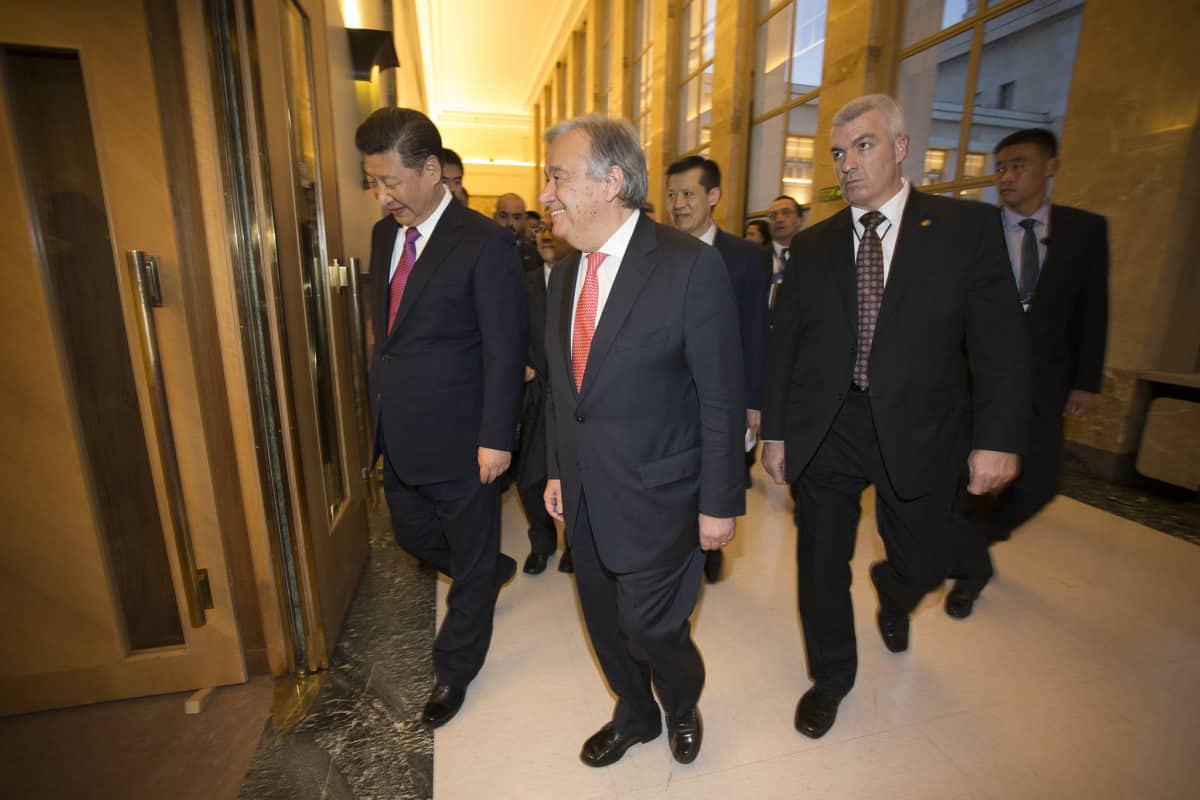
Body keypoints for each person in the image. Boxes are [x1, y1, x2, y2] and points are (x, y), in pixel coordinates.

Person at [760, 94, 1028, 741]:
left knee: (926, 560)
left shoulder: (966, 231)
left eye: (864, 146)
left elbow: (1000, 344)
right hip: (829, 425)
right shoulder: (816, 244)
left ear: (901, 147)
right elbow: (785, 342)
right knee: (820, 561)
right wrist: (774, 429)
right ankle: (831, 678)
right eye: (837, 153)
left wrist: (997, 439)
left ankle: (893, 588)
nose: (848, 164)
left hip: (924, 426)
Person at [540, 114, 744, 767]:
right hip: (584, 488)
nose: (547, 193)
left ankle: (680, 702)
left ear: (613, 182)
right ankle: (635, 713)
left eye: (558, 176)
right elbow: (561, 393)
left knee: (651, 626)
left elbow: (720, 397)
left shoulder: (690, 267)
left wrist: (720, 502)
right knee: (603, 619)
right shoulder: (564, 276)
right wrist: (554, 470)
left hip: (662, 492)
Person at [357, 108, 527, 729]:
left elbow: (505, 348)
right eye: (373, 182)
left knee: (472, 560)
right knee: (413, 537)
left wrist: (495, 437)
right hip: (400, 432)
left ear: (432, 171)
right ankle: (486, 573)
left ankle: (454, 672)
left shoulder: (486, 243)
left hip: (464, 439)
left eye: (391, 182)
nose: (383, 196)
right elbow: (392, 337)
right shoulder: (384, 236)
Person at [944, 127, 1109, 619]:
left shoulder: (1084, 230)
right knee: (968, 483)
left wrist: (1086, 379)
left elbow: (1093, 308)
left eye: (1019, 164)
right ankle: (970, 571)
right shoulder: (976, 229)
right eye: (1001, 167)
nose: (1007, 176)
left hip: (1044, 382)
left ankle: (969, 542)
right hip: (974, 381)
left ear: (1050, 166)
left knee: (1041, 482)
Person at [666, 154, 770, 581]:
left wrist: (754, 402)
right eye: (671, 194)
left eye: (688, 193)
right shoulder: (657, 251)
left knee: (717, 473)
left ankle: (708, 547)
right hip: (669, 395)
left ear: (713, 196)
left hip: (723, 395)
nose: (678, 204)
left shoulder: (745, 258)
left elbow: (756, 333)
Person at [514, 224, 575, 575]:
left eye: (554, 228)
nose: (547, 235)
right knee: (532, 478)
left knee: (575, 475)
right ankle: (542, 541)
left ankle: (575, 544)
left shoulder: (585, 275)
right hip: (536, 395)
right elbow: (508, 330)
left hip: (576, 397)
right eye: (541, 229)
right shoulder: (524, 281)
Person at [766, 196, 806, 308]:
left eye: (786, 213)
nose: (779, 219)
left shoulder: (812, 258)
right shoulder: (755, 257)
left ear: (800, 220)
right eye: (773, 215)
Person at [493, 192, 539, 272]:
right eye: (503, 216)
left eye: (516, 217)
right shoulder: (481, 252)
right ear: (494, 217)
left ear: (524, 220)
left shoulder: (536, 255)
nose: (510, 223)